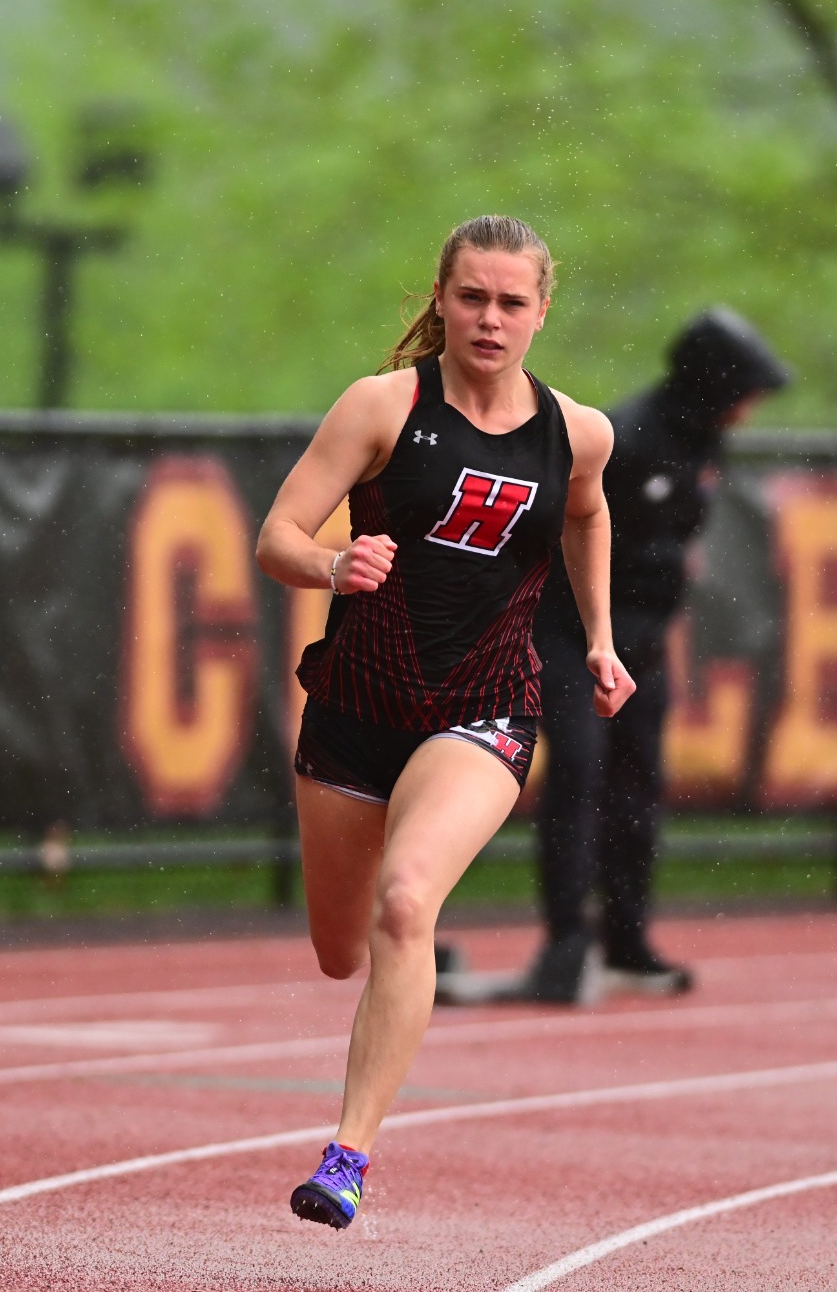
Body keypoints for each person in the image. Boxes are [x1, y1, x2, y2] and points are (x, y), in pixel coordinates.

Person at [255, 215, 633, 1228]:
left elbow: (589, 511)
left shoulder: (576, 432)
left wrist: (598, 637)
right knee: (341, 950)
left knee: (404, 902)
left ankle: (346, 1156)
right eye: (471, 297)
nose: (490, 319)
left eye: (512, 302)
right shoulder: (382, 408)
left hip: (484, 708)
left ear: (541, 312)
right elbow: (276, 535)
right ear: (439, 298)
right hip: (354, 708)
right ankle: (365, 1043)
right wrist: (331, 563)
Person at [515, 307, 789, 1002]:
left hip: (641, 638)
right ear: (710, 382)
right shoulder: (626, 438)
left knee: (638, 785)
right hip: (570, 630)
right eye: (744, 391)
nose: (750, 409)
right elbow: (561, 530)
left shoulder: (706, 441)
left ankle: (628, 941)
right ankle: (566, 946)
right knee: (578, 773)